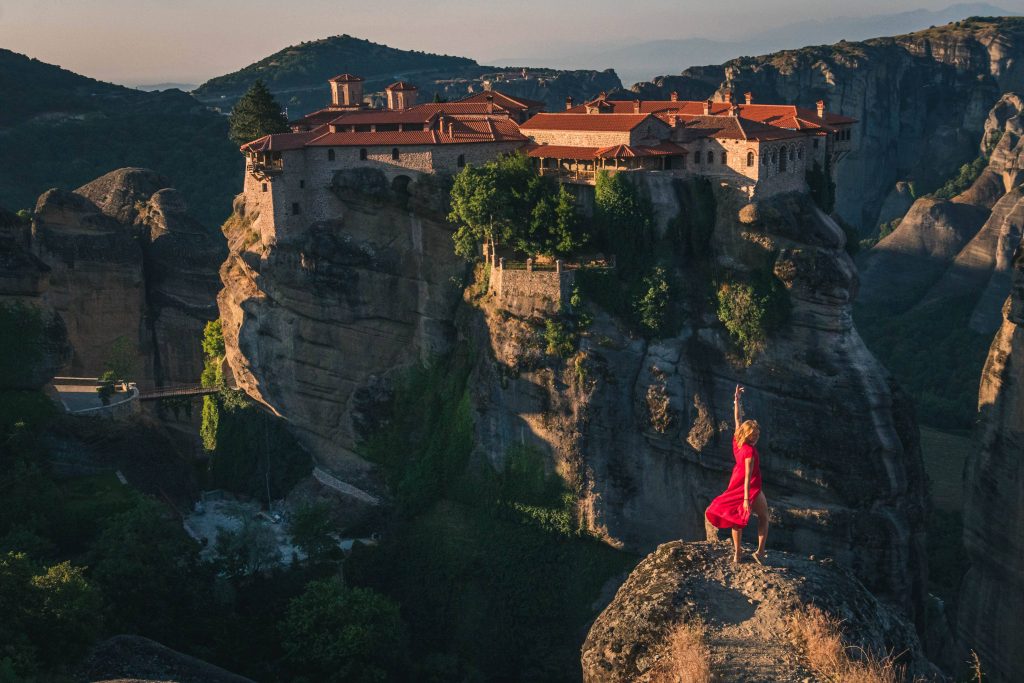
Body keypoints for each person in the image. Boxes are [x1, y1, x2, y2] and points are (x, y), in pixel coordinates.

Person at [704, 384, 770, 564]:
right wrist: (747, 500)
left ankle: (737, 554)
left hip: (735, 482)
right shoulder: (749, 451)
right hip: (750, 486)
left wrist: (737, 400)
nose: (756, 437)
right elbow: (749, 476)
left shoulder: (737, 440)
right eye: (754, 434)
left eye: (757, 434)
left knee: (736, 519)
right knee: (764, 517)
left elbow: (737, 419)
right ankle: (760, 553)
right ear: (747, 435)